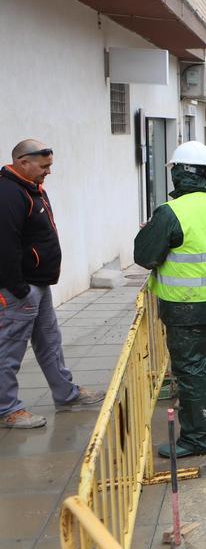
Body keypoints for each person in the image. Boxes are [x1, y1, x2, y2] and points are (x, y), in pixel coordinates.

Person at [134, 141, 206, 457]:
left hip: (184, 309)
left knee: (191, 371)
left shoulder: (170, 212)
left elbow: (145, 256)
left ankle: (196, 439)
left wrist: (150, 232)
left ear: (176, 174)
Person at [1, 140, 103, 429]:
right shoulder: (8, 194)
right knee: (9, 350)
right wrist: (19, 289)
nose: (48, 172)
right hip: (19, 289)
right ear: (23, 162)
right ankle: (6, 408)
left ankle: (66, 393)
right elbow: (5, 246)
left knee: (49, 342)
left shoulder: (31, 188)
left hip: (38, 285)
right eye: (44, 167)